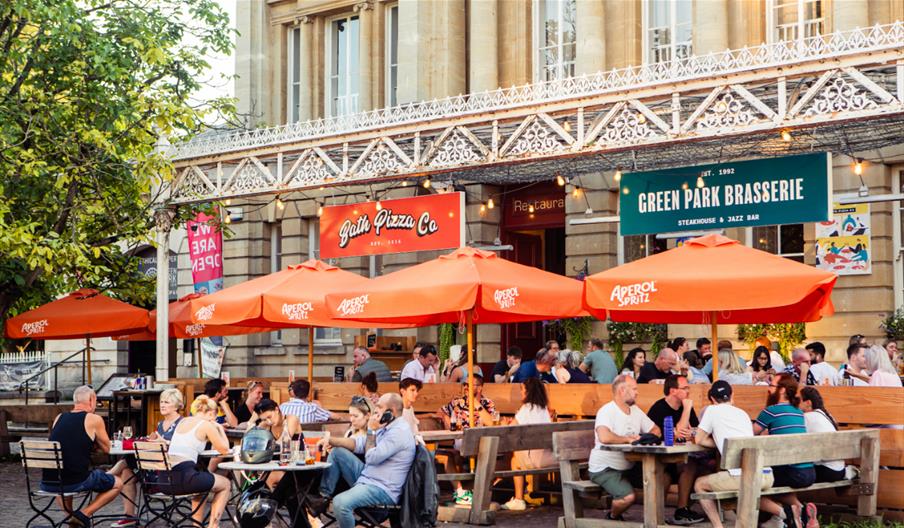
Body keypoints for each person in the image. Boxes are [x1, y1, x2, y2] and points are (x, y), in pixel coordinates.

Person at [312, 393, 416, 528]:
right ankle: (323, 497)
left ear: (391, 412)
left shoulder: (398, 432)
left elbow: (371, 457)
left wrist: (371, 430)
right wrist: (331, 440)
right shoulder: (386, 426)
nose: (376, 411)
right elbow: (359, 443)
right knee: (338, 453)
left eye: (379, 407)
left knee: (340, 503)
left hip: (382, 488)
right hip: (368, 477)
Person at [40, 386, 134, 528]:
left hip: (49, 481)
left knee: (63, 479)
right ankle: (84, 514)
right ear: (92, 400)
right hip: (77, 480)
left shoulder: (59, 418)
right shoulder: (94, 418)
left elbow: (69, 442)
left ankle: (71, 517)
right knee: (118, 483)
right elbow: (108, 448)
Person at [693, 381, 777, 528]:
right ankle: (785, 513)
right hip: (766, 474)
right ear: (732, 396)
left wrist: (720, 442)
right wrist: (722, 442)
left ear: (712, 399)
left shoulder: (712, 410)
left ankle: (718, 526)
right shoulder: (743, 413)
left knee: (699, 484)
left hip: (744, 477)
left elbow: (698, 439)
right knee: (743, 489)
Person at [588, 374, 660, 521]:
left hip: (630, 466)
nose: (637, 392)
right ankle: (612, 516)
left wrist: (645, 438)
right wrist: (627, 439)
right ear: (621, 391)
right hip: (605, 468)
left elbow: (656, 430)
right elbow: (604, 437)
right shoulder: (607, 411)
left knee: (662, 478)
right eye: (634, 389)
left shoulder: (635, 410)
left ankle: (654, 520)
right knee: (627, 497)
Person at [753, 374, 814, 528]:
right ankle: (801, 510)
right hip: (809, 472)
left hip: (792, 472)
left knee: (754, 483)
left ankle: (786, 513)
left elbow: (749, 434)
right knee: (776, 473)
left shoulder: (771, 411)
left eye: (772, 385)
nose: (768, 389)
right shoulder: (798, 412)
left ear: (782, 390)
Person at [645, 375, 704, 525]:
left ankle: (681, 511)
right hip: (658, 460)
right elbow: (675, 435)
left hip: (677, 457)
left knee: (692, 465)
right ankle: (656, 517)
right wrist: (687, 409)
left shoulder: (685, 408)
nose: (688, 391)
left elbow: (694, 430)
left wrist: (690, 432)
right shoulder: (659, 408)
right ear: (673, 391)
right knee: (666, 475)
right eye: (685, 388)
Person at [166, 395, 232, 528]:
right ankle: (214, 526)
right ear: (210, 413)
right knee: (225, 483)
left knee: (201, 483)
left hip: (165, 480)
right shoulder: (206, 424)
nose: (215, 419)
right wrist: (219, 428)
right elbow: (225, 449)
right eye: (214, 416)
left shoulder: (183, 421)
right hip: (184, 479)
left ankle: (197, 525)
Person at [438, 375, 498, 505]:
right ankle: (462, 492)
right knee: (447, 455)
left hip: (481, 442)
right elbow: (441, 412)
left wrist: (474, 403)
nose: (466, 387)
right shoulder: (457, 402)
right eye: (465, 384)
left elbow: (491, 423)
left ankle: (473, 491)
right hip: (460, 440)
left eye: (470, 385)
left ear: (480, 388)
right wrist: (447, 420)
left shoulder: (487, 403)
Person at [501, 378, 555, 511]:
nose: (521, 393)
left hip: (536, 460)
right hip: (548, 455)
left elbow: (511, 429)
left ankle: (519, 499)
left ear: (528, 392)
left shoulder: (527, 408)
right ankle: (520, 497)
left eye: (523, 390)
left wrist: (503, 423)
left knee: (514, 460)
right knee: (517, 456)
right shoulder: (543, 409)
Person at [252, 399, 303, 490]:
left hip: (296, 466)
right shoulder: (265, 424)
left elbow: (284, 442)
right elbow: (250, 438)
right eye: (264, 419)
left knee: (269, 477)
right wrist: (251, 421)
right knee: (253, 476)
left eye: (269, 417)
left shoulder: (291, 419)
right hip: (275, 466)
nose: (268, 421)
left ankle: (270, 502)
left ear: (276, 409)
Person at [800, 387, 846, 483]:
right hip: (839, 470)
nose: (795, 403)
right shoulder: (826, 414)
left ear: (808, 403)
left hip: (826, 471)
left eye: (799, 400)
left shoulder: (808, 417)